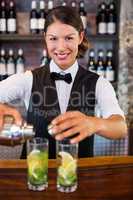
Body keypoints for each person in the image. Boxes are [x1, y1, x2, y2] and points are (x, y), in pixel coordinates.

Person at [0, 6, 127, 158]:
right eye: (53, 39)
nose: (61, 48)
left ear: (80, 37)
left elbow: (121, 128)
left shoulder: (99, 83)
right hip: (36, 174)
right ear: (45, 38)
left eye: (69, 38)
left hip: (79, 175)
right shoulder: (28, 79)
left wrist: (94, 123)